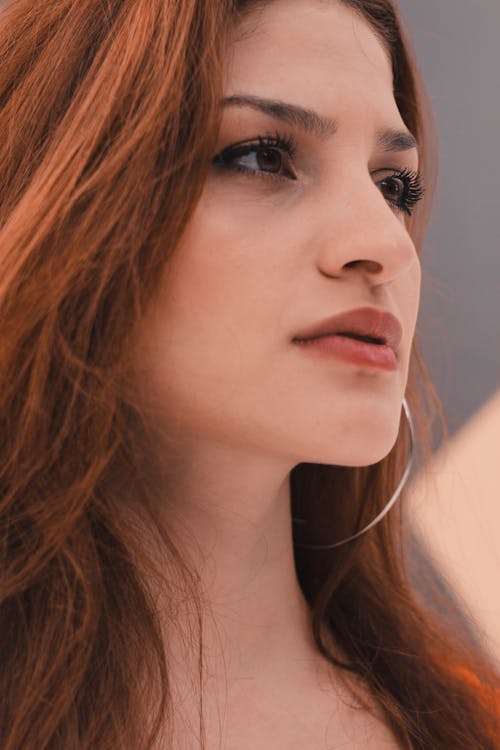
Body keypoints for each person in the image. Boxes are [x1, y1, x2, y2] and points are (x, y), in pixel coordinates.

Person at [0, 0, 498, 748]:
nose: (385, 246)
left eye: (394, 186)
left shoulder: (471, 721)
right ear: (66, 192)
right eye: (263, 156)